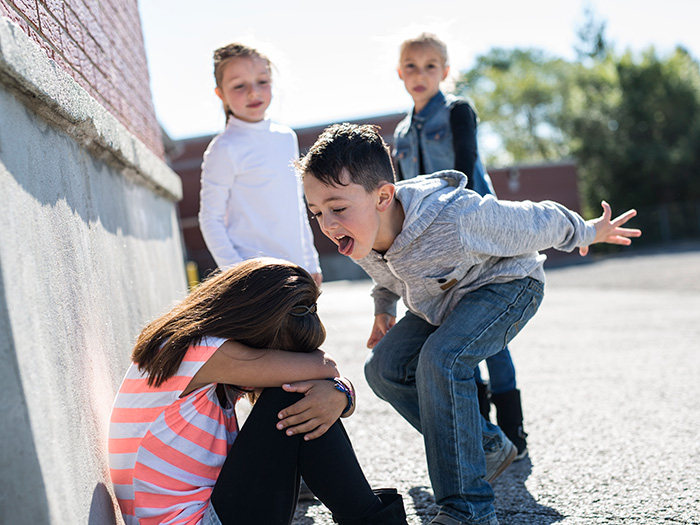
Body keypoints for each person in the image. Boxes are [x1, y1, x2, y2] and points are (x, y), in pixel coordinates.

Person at [298, 123, 641, 525]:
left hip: (509, 286)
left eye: (337, 208)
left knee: (441, 360)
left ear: (383, 197)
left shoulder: (455, 217)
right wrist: (383, 309)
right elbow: (386, 275)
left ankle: (470, 510)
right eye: (316, 212)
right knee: (383, 370)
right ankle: (485, 444)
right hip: (444, 302)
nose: (327, 223)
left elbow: (534, 220)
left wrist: (587, 230)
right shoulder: (359, 232)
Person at [108, 258, 408, 525]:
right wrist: (338, 389)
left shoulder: (192, 350)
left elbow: (325, 375)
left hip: (205, 512)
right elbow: (324, 366)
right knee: (292, 394)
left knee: (300, 395)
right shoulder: (200, 351)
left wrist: (341, 393)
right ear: (255, 325)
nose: (282, 365)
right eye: (279, 354)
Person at [393, 32, 526, 458]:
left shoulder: (457, 112)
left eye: (430, 66)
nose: (420, 74)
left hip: (477, 236)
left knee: (491, 338)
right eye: (411, 66)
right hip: (433, 249)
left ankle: (513, 431)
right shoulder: (399, 132)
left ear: (445, 72)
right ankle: (484, 435)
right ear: (400, 73)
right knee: (454, 335)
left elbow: (466, 169)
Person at [199, 43, 322, 286]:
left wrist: (311, 262)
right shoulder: (224, 148)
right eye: (239, 86)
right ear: (220, 94)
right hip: (255, 280)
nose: (253, 92)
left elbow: (296, 206)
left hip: (297, 272)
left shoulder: (286, 137)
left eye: (262, 81)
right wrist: (238, 273)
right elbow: (210, 218)